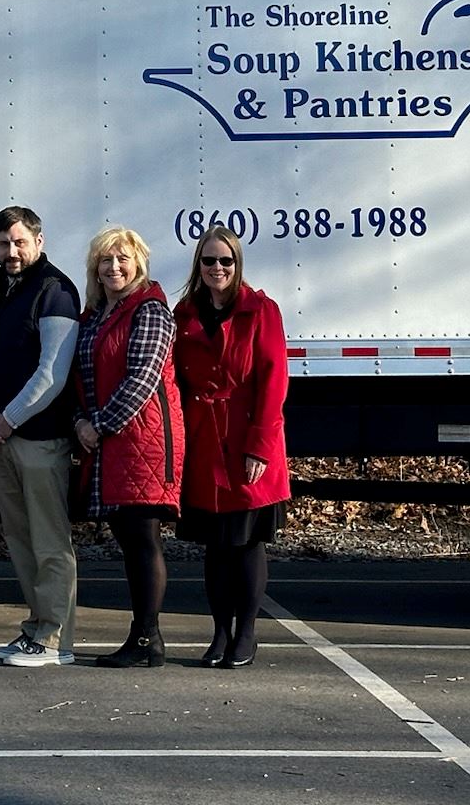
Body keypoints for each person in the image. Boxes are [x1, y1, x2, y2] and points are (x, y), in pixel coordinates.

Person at [172, 226, 290, 670]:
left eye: (226, 261)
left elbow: (273, 381)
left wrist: (259, 446)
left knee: (246, 545)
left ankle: (247, 633)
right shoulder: (184, 315)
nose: (217, 268)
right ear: (198, 266)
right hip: (204, 443)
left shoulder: (261, 311)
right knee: (215, 548)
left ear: (238, 265)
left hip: (247, 444)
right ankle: (220, 632)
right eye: (209, 261)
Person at [0, 205, 81, 668]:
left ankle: (56, 640)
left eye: (19, 242)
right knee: (20, 539)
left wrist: (7, 419)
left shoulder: (55, 291)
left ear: (38, 240)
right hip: (0, 437)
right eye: (3, 243)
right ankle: (36, 628)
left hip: (38, 438)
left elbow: (51, 375)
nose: (11, 251)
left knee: (50, 542)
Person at [73, 226, 184, 669]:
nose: (114, 267)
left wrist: (97, 425)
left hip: (142, 439)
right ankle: (142, 637)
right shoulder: (97, 315)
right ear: (95, 269)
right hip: (110, 439)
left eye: (123, 259)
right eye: (105, 260)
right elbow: (79, 378)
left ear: (139, 263)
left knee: (142, 536)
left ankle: (147, 639)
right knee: (128, 536)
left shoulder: (150, 310)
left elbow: (142, 378)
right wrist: (79, 420)